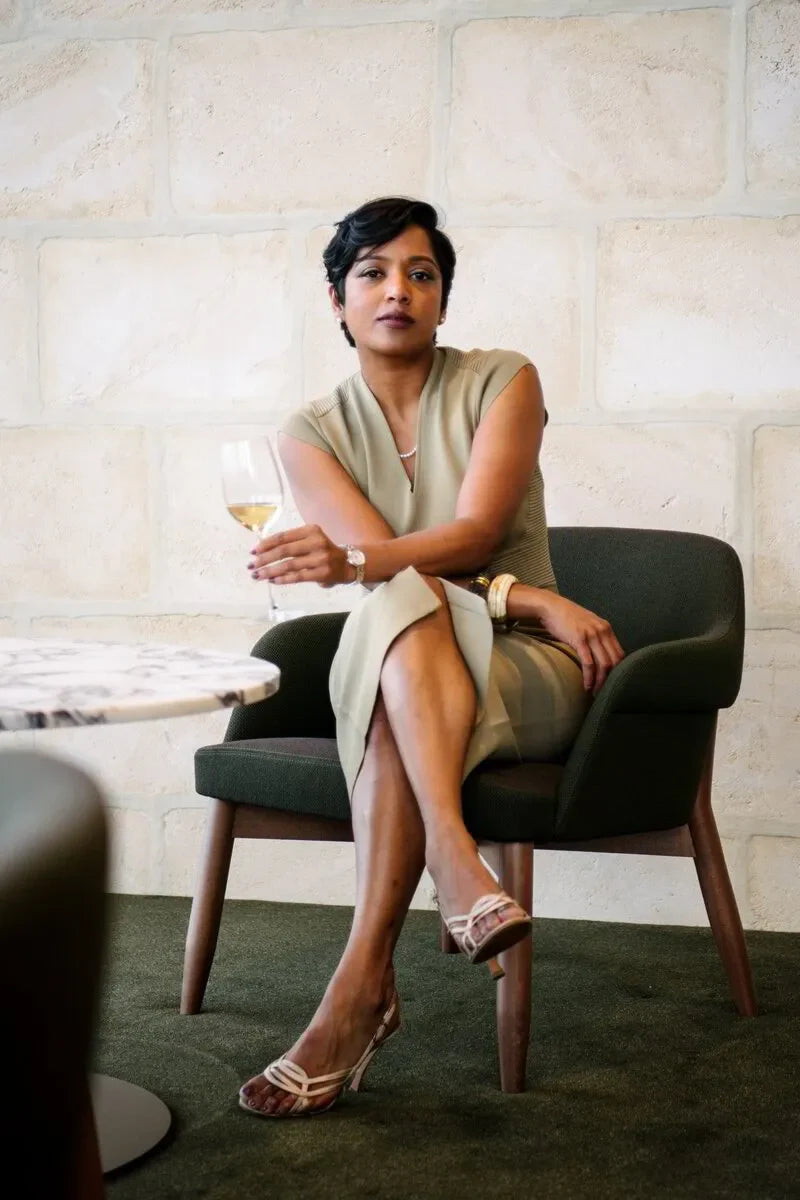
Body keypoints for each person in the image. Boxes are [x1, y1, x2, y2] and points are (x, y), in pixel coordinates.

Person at [238, 197, 625, 1118]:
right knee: (399, 616)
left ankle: (358, 995)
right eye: (372, 273)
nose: (397, 290)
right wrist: (519, 588)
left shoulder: (504, 379)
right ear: (338, 301)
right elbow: (404, 577)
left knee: (388, 642)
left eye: (421, 273)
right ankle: (454, 867)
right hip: (415, 652)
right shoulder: (308, 432)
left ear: (444, 300)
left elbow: (474, 533)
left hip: (524, 665)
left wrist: (505, 601)